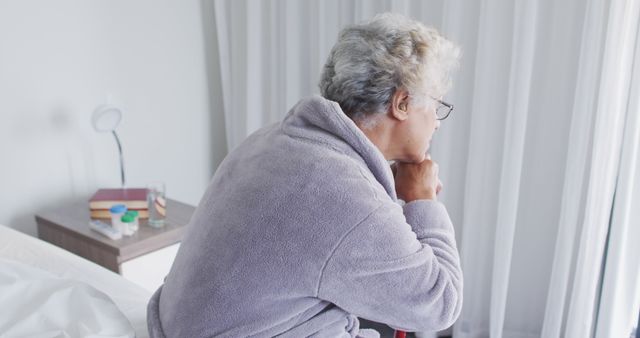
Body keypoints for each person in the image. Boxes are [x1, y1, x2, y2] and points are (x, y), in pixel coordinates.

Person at [147, 13, 462, 338]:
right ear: (402, 103)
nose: (437, 123)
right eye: (436, 106)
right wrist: (423, 199)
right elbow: (440, 306)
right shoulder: (347, 195)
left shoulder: (270, 141)